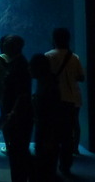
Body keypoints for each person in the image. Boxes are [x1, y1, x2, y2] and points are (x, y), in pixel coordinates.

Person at [45, 27, 85, 176]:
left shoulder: (48, 56)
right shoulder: (74, 57)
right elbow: (82, 77)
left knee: (54, 129)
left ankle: (54, 160)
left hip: (55, 98)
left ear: (54, 39)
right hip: (73, 96)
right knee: (73, 125)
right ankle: (72, 152)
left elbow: (44, 78)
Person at [0, 34, 33, 182]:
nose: (2, 46)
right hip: (15, 113)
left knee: (18, 151)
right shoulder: (16, 62)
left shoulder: (19, 65)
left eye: (5, 44)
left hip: (18, 115)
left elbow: (22, 92)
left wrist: (13, 112)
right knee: (18, 150)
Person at [29, 53, 60, 182]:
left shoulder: (48, 85)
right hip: (44, 127)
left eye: (31, 67)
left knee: (46, 158)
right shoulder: (46, 80)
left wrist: (50, 137)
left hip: (47, 129)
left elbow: (52, 111)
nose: (29, 70)